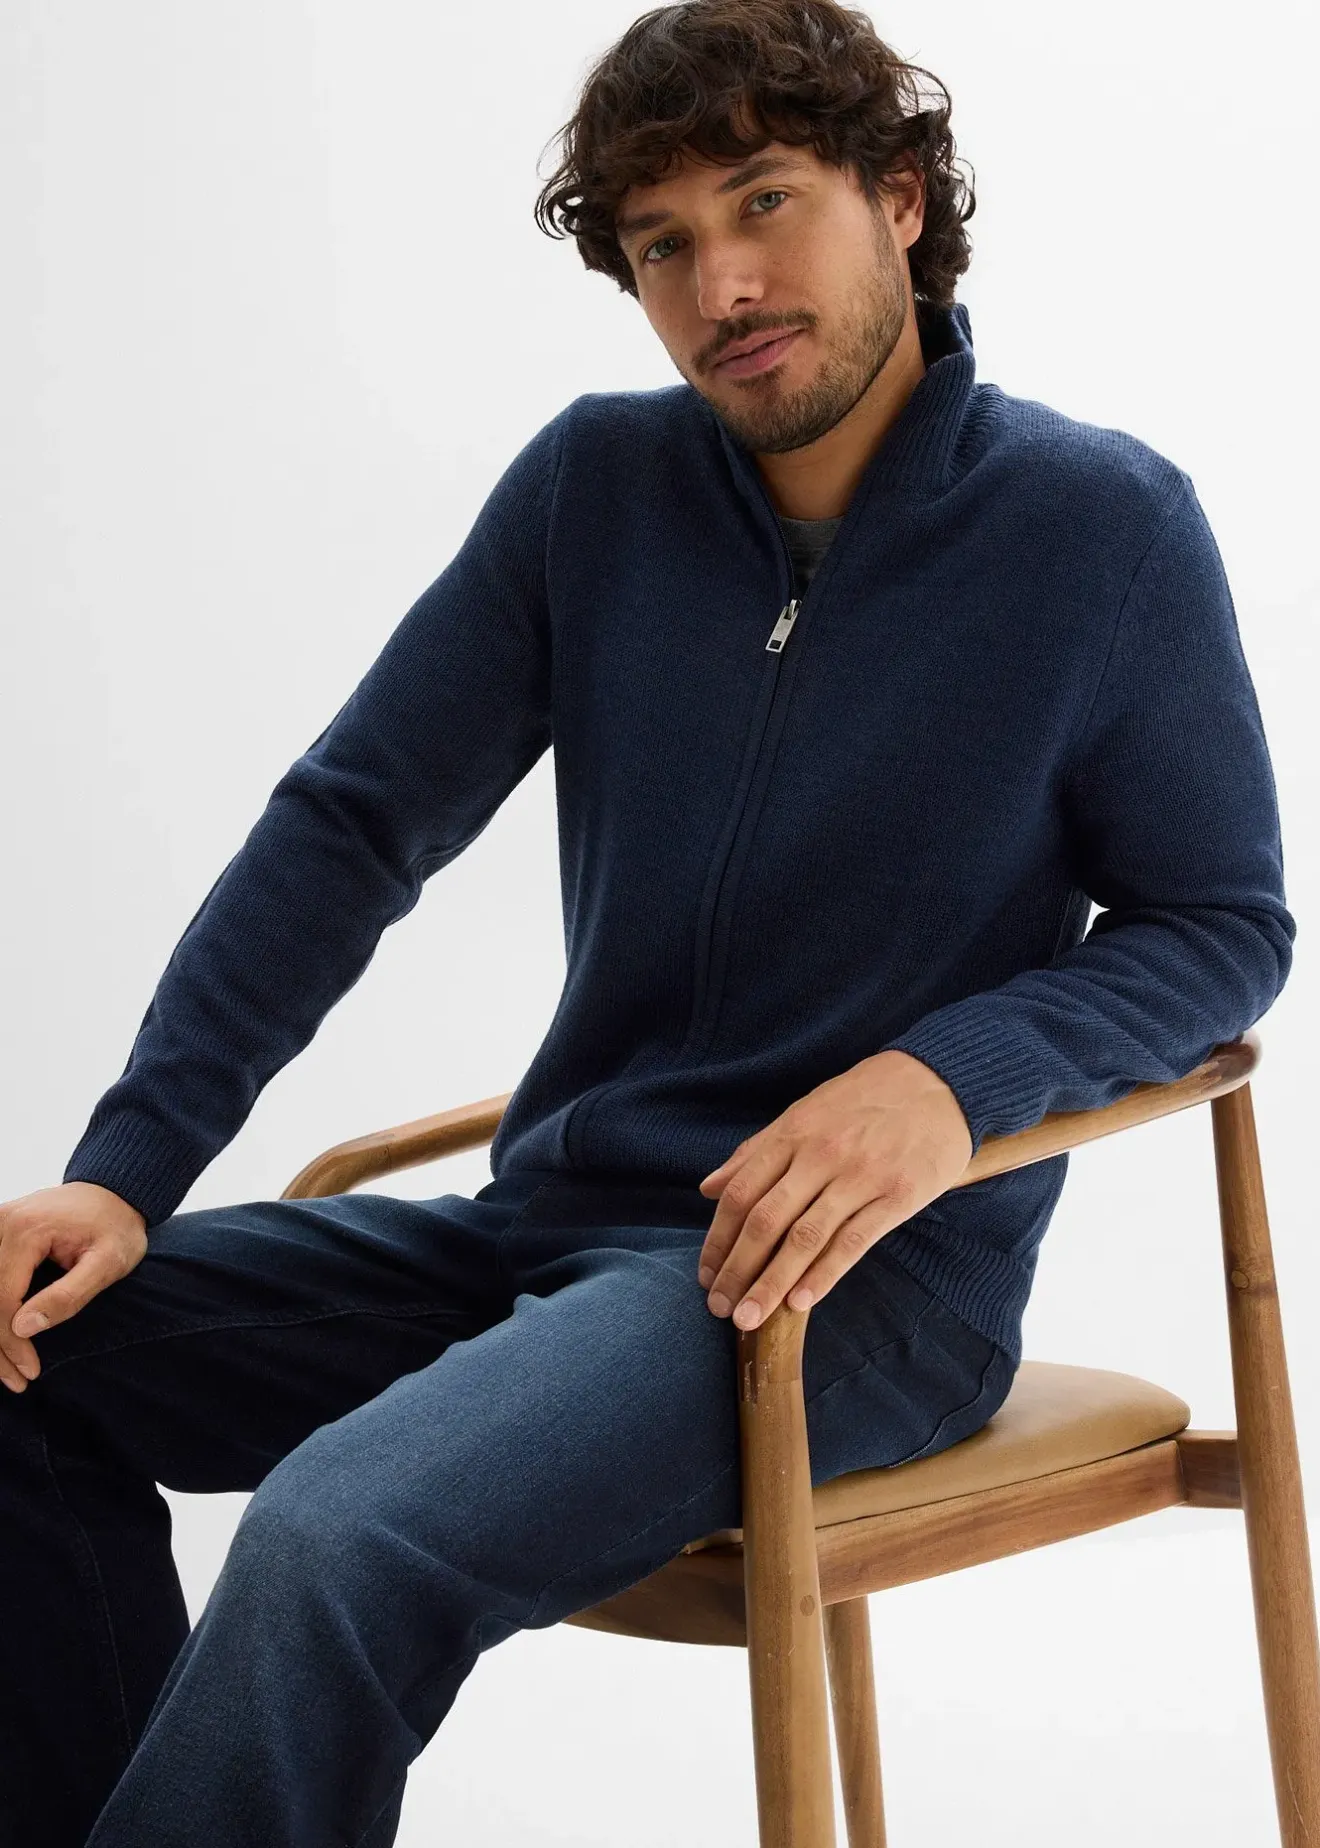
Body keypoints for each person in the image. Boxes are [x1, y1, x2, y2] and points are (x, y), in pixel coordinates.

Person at [0, 0, 1295, 1842]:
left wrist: (945, 1079)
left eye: (766, 202)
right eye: (662, 242)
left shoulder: (1101, 529)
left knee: (337, 1533)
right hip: (538, 1235)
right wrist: (131, 1170)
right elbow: (352, 826)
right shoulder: (592, 492)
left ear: (900, 198)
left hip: (839, 1289)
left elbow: (1219, 921)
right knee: (18, 1362)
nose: (722, 286)